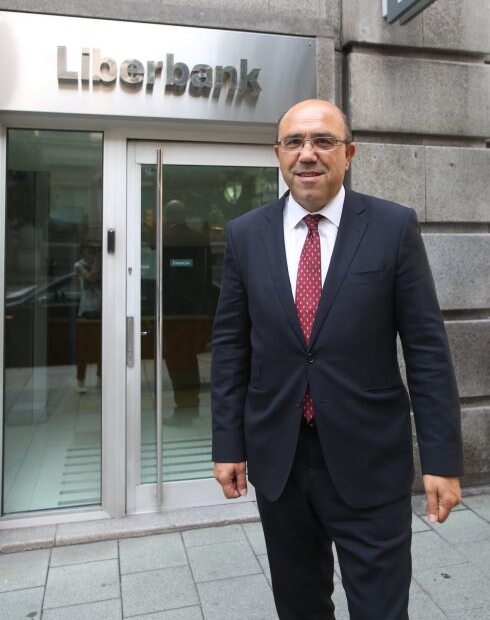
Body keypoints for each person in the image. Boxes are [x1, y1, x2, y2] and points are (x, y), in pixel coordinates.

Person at [211, 99, 463, 620]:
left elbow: (427, 350)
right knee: (299, 607)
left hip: (369, 461)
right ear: (277, 154)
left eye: (323, 141)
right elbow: (232, 348)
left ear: (348, 153)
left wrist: (441, 459)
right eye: (294, 143)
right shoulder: (245, 235)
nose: (308, 154)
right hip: (279, 462)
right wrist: (228, 444)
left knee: (380, 609)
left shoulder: (393, 228)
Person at [162, 200, 215, 423]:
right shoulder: (200, 240)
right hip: (198, 310)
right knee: (189, 356)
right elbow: (208, 276)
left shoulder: (164, 240)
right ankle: (191, 402)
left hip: (173, 312)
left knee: (176, 357)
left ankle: (184, 407)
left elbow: (163, 278)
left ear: (167, 218)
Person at [74, 242, 102, 393]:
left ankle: (101, 377)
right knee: (84, 348)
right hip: (87, 309)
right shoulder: (79, 265)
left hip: (101, 307)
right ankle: (80, 380)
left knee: (101, 345)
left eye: (94, 251)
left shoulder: (103, 263)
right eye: (89, 251)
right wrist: (97, 263)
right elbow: (91, 278)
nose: (91, 254)